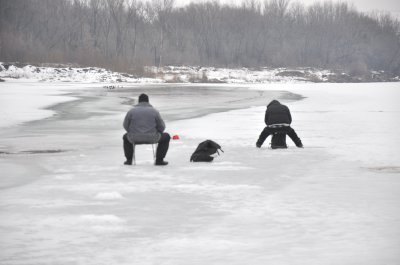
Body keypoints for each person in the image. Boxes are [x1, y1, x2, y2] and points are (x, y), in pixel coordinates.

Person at [123, 93, 170, 166]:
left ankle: (129, 160)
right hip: (153, 138)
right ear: (148, 101)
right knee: (166, 136)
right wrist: (158, 132)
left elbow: (125, 125)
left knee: (125, 137)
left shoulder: (131, 111)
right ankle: (159, 160)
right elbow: (161, 127)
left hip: (134, 138)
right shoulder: (154, 111)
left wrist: (131, 132)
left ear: (138, 101)